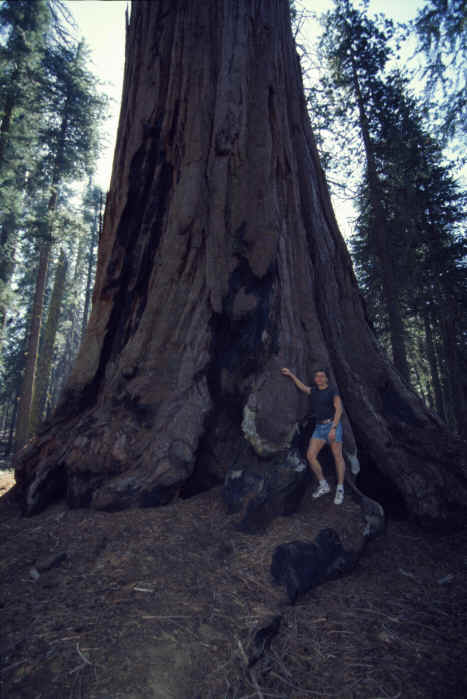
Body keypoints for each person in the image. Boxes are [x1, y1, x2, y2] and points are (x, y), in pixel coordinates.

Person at [281, 367, 345, 505]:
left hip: (332, 425)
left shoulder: (332, 390)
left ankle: (340, 488)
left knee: (337, 457)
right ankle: (323, 484)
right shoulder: (314, 391)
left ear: (326, 378)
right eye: (317, 376)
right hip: (319, 427)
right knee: (310, 456)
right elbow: (303, 388)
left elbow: (339, 409)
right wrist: (291, 374)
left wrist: (333, 428)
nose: (319, 378)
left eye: (322, 376)